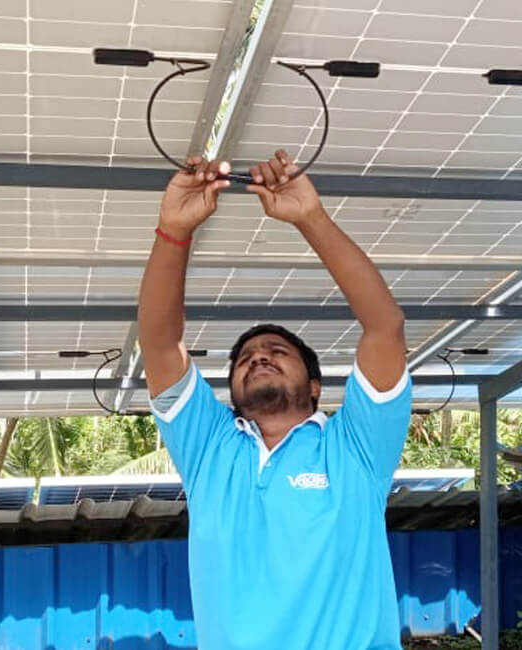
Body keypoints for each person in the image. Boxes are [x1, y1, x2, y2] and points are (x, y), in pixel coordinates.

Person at [139, 150, 411, 650]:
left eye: (277, 352)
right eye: (245, 358)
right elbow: (159, 345)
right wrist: (173, 232)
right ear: (232, 394)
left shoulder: (357, 446)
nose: (258, 357)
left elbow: (384, 326)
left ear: (315, 386)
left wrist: (311, 218)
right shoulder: (208, 448)